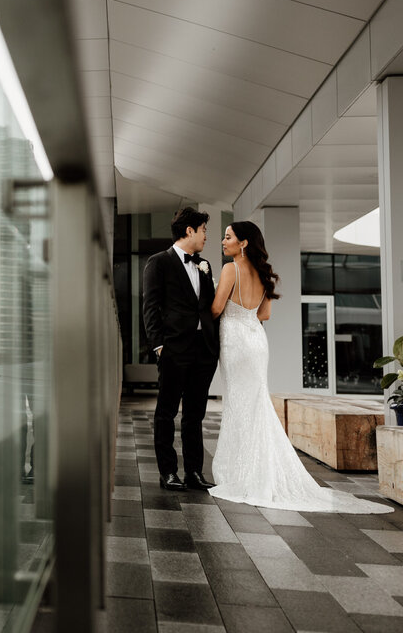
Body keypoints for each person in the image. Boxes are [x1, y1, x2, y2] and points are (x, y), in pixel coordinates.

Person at [208, 222, 391, 512]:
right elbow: (264, 314)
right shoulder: (263, 273)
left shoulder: (231, 269)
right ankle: (257, 468)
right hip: (256, 341)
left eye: (228, 237)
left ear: (243, 243)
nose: (222, 241)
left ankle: (241, 472)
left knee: (239, 404)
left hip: (235, 341)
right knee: (255, 403)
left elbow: (216, 309)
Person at [141, 207, 218, 492]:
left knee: (195, 414)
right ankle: (168, 472)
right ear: (190, 231)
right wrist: (159, 346)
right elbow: (150, 308)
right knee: (166, 412)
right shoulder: (158, 262)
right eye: (204, 230)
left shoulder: (205, 265)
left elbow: (209, 307)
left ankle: (194, 472)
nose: (206, 236)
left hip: (203, 351)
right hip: (174, 348)